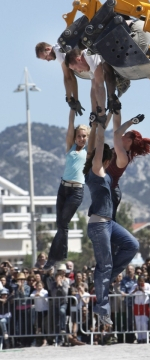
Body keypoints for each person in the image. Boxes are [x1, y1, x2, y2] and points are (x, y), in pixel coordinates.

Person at [84, 111, 140, 327]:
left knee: (132, 245)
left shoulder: (109, 175)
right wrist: (99, 124)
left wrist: (114, 113)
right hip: (99, 224)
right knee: (105, 267)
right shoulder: (97, 173)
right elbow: (99, 143)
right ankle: (102, 308)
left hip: (109, 222)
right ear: (105, 160)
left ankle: (102, 276)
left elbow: (115, 134)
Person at [43, 110, 91, 270]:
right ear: (75, 137)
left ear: (88, 137)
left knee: (63, 223)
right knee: (61, 225)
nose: (81, 138)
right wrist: (71, 108)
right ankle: (60, 257)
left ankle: (53, 259)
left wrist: (98, 119)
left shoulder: (88, 151)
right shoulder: (70, 147)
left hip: (76, 191)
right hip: (63, 188)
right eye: (79, 135)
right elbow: (70, 125)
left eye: (84, 136)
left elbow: (99, 132)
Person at [107, 111, 150, 220]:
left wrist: (132, 121)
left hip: (111, 193)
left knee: (108, 226)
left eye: (125, 134)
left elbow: (116, 133)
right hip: (108, 190)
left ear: (129, 141)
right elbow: (117, 126)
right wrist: (117, 108)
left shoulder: (123, 156)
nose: (122, 135)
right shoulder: (121, 149)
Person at [132, 275, 150, 343]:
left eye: (142, 281)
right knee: (138, 322)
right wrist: (135, 290)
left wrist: (144, 291)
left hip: (145, 304)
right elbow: (130, 293)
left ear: (144, 281)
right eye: (139, 281)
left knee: (144, 322)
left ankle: (145, 337)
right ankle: (139, 338)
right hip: (137, 305)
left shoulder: (147, 285)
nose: (140, 282)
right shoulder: (135, 285)